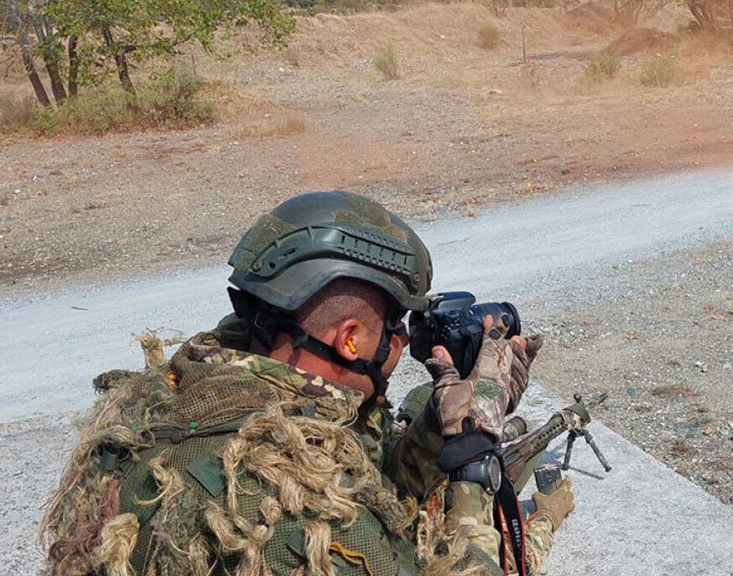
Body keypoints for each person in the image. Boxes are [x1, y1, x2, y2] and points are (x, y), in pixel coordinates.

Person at [41, 191, 574, 576]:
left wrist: (441, 429)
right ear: (349, 340)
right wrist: (473, 462)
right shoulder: (280, 508)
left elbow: (358, 477)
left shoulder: (183, 388)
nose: (400, 345)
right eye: (393, 328)